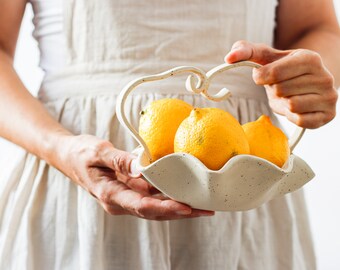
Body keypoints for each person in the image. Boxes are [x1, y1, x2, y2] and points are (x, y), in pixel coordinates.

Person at [0, 0, 339, 269]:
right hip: (74, 176)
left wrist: (305, 78)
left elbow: (316, 28)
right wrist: (60, 148)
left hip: (244, 176)